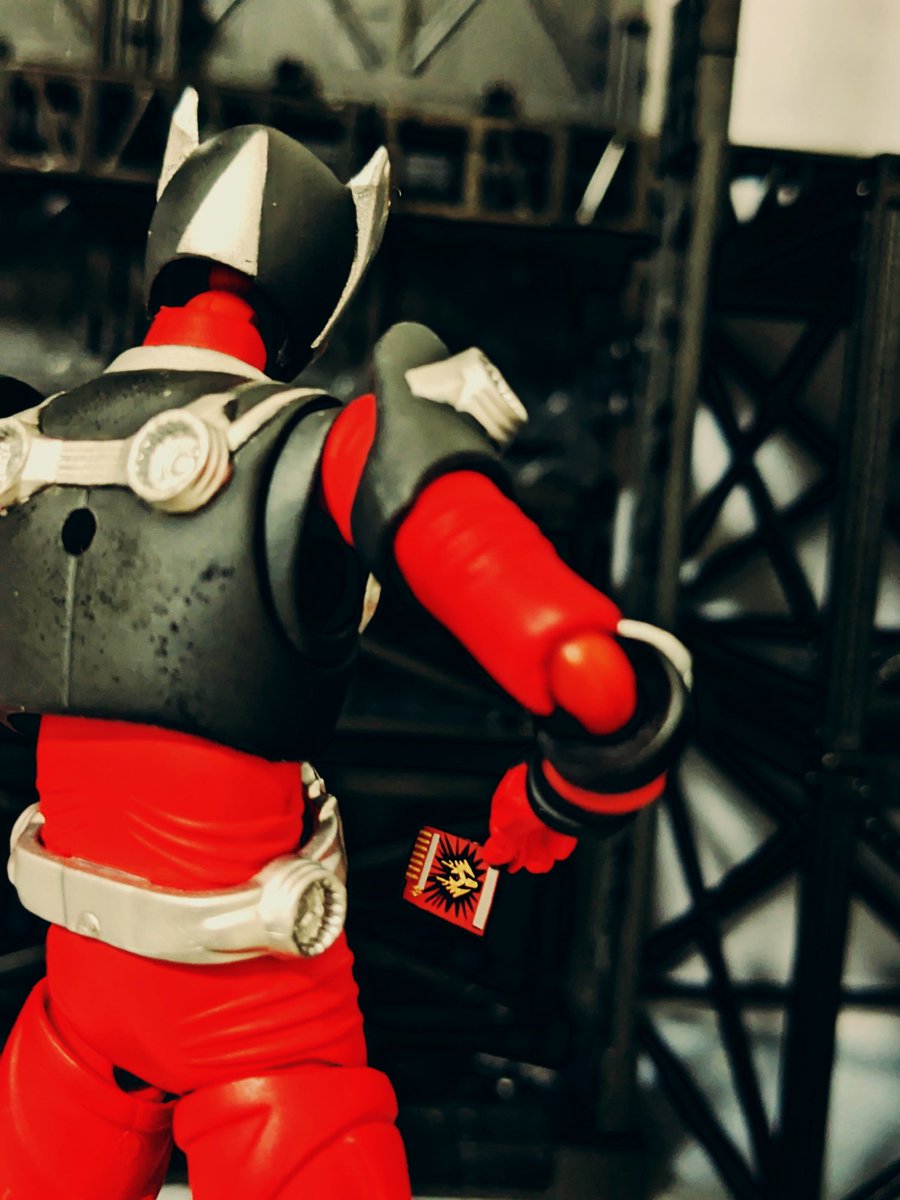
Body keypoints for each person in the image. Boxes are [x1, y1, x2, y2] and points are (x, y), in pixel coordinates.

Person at [0, 90, 688, 1199]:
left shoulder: (23, 446)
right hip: (253, 1012)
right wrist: (551, 804)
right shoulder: (330, 442)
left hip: (77, 1006)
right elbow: (589, 678)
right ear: (326, 289)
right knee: (436, 879)